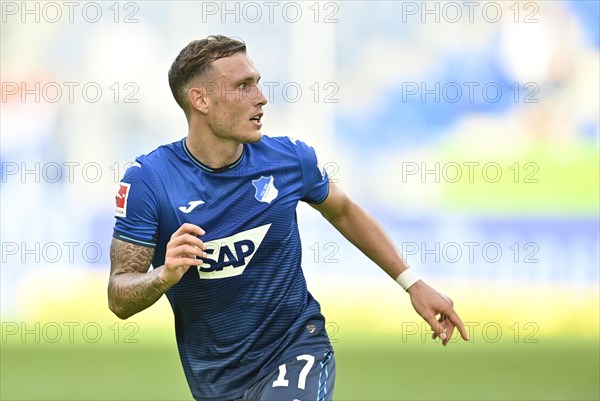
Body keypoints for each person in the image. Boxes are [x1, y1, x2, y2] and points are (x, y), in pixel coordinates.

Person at [108, 35, 468, 401]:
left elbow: (343, 211)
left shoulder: (289, 160)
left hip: (296, 348)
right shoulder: (150, 181)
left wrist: (412, 282)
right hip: (215, 380)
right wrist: (163, 275)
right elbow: (119, 297)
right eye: (243, 86)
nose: (261, 97)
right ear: (200, 99)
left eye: (257, 83)